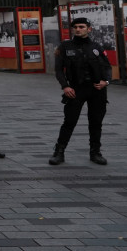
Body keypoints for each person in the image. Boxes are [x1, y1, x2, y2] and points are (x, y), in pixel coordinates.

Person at [48, 17, 112, 166]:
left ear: (89, 29)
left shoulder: (96, 47)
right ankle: (59, 152)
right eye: (75, 27)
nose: (78, 29)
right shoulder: (65, 46)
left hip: (97, 89)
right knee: (69, 121)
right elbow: (58, 70)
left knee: (96, 122)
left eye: (82, 27)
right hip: (75, 89)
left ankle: (95, 152)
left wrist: (106, 81)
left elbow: (107, 67)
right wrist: (65, 86)